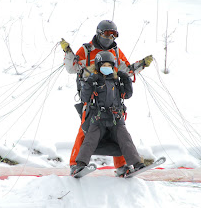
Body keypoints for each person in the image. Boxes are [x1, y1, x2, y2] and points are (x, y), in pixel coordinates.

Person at [61, 20, 152, 176]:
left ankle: (122, 166)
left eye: (114, 34)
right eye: (107, 33)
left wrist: (141, 64)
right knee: (85, 129)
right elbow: (72, 67)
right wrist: (68, 52)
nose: (110, 37)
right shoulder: (87, 49)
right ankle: (75, 164)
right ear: (99, 33)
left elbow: (127, 70)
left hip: (112, 95)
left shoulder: (116, 52)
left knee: (119, 131)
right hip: (90, 95)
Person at [73, 51, 145, 176]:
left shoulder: (116, 81)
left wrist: (126, 80)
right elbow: (85, 98)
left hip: (115, 119)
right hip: (98, 119)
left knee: (125, 138)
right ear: (98, 65)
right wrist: (89, 83)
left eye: (109, 65)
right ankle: (79, 165)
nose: (107, 67)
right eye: (104, 65)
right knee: (90, 140)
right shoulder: (94, 80)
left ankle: (137, 164)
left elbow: (127, 95)